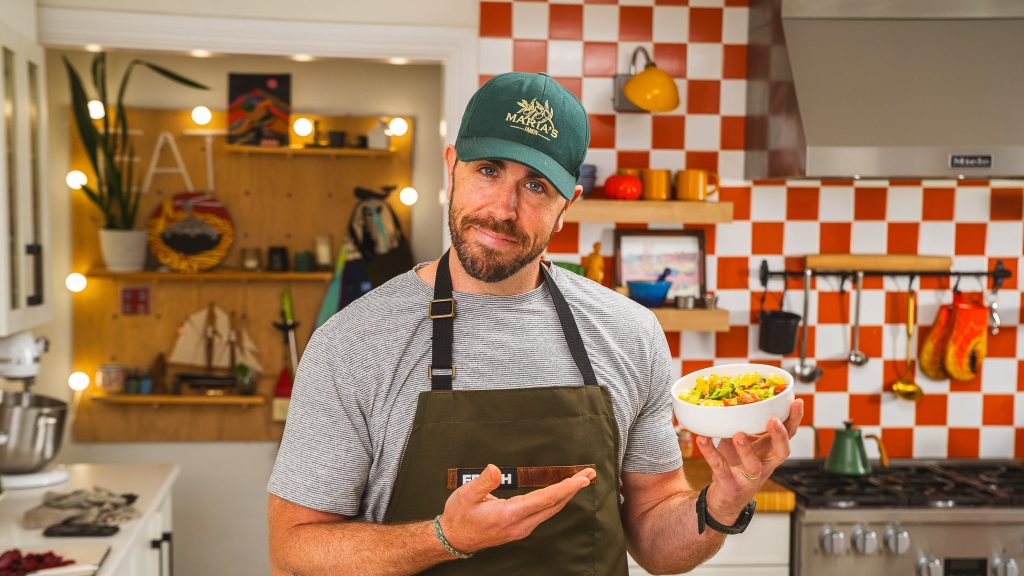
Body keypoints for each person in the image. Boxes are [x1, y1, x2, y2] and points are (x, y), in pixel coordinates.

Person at [267, 72, 803, 575]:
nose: (503, 208)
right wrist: (441, 537)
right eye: (488, 170)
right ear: (451, 164)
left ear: (567, 204)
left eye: (536, 186)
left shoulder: (629, 333)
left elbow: (656, 536)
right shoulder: (353, 342)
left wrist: (724, 502)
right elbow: (293, 549)